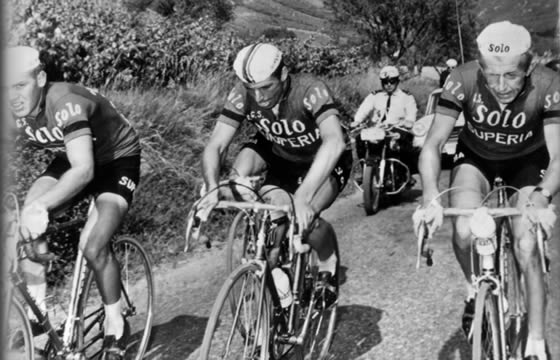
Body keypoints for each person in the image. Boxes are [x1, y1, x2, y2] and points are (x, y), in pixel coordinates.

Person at [415, 21, 560, 360]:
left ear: (529, 66)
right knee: (464, 228)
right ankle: (473, 288)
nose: (500, 86)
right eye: (491, 76)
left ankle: (536, 342)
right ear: (479, 67)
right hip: (476, 159)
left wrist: (542, 198)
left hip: (527, 162)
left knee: (527, 245)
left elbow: (558, 154)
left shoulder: (550, 84)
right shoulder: (461, 79)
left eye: (511, 75)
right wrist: (429, 196)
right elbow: (433, 144)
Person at [6, 46, 141, 360]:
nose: (12, 96)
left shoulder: (65, 102)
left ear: (40, 78)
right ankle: (37, 318)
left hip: (115, 160)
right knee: (26, 217)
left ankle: (116, 322)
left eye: (19, 85)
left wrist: (44, 208)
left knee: (93, 244)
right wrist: (32, 211)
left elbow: (84, 171)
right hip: (71, 155)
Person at [200, 43, 352, 305]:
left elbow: (334, 141)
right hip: (283, 158)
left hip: (323, 160)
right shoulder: (244, 92)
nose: (259, 98)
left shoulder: (310, 89)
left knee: (306, 220)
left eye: (266, 88)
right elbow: (216, 145)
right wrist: (212, 188)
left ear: (283, 74)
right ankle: (270, 256)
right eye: (252, 90)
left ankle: (328, 260)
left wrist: (303, 196)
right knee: (270, 207)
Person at [351, 65, 418, 176]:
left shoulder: (406, 97)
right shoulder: (375, 95)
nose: (388, 85)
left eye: (392, 82)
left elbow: (411, 116)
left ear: (397, 81)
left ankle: (405, 172)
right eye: (385, 82)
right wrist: (357, 121)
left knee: (406, 140)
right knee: (360, 139)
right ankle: (365, 171)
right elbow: (364, 108)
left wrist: (408, 122)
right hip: (378, 129)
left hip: (397, 128)